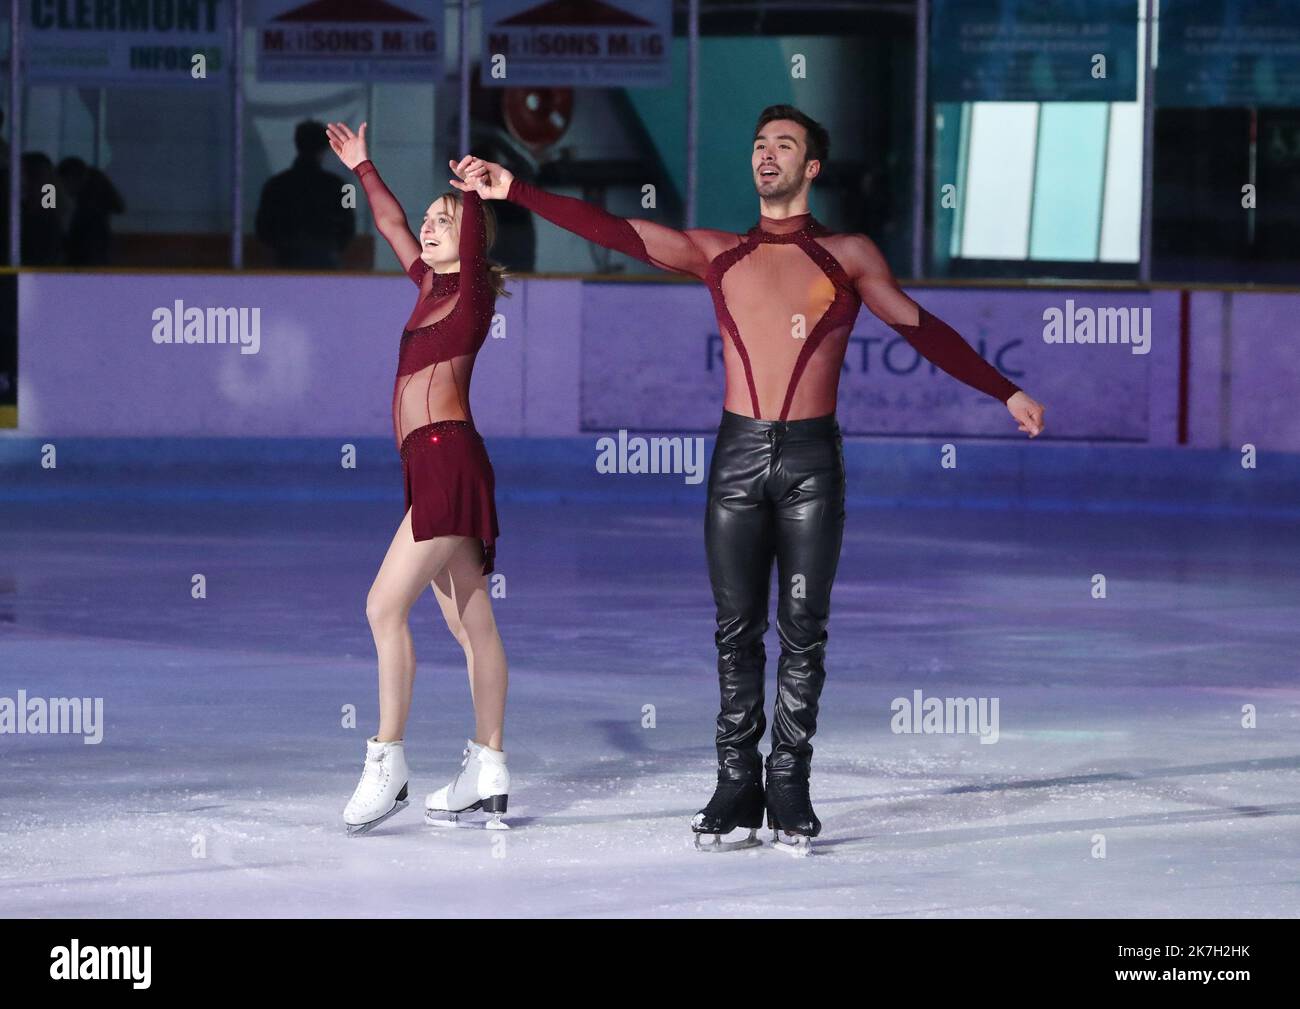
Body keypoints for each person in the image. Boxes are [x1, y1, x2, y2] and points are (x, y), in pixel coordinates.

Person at [451, 104, 1046, 855]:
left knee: (803, 633)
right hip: (735, 459)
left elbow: (920, 327)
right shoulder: (717, 252)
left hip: (810, 466)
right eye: (760, 143)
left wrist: (1005, 390)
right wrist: (516, 190)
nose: (767, 154)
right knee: (736, 633)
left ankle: (789, 786)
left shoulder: (849, 255)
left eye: (785, 145)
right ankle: (737, 783)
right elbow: (619, 234)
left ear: (812, 167)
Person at [326, 121, 514, 835]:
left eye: (446, 222)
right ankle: (489, 765)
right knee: (470, 622)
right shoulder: (427, 285)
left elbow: (468, 234)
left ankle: (387, 759)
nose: (431, 229)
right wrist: (366, 165)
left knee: (382, 606)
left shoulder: (468, 295)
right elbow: (392, 221)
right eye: (432, 221)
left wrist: (468, 191)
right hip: (436, 462)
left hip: (445, 459)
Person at [256, 120, 356, 269]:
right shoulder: (342, 186)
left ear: (297, 145)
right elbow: (349, 226)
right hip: (325, 261)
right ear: (324, 149)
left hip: (286, 262)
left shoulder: (275, 185)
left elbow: (263, 228)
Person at [57, 157, 125, 266]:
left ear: (73, 178)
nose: (63, 188)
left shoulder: (87, 214)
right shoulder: (92, 210)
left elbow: (81, 248)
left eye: (63, 182)